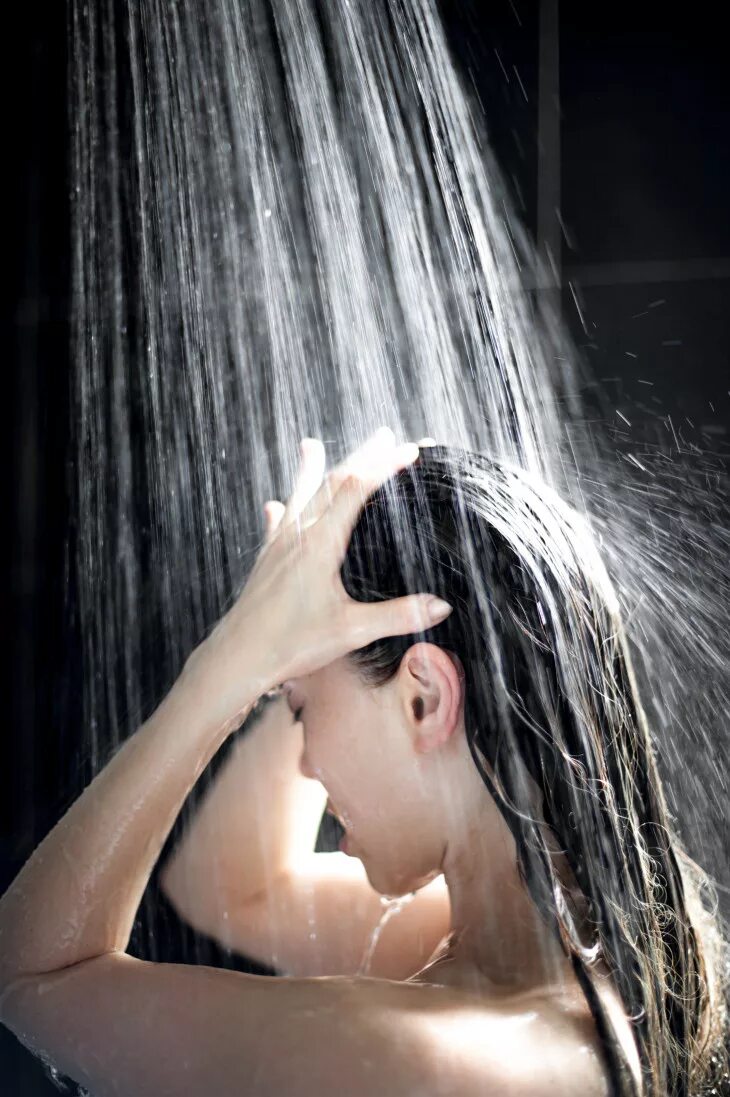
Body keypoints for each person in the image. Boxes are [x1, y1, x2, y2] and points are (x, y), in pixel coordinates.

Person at [0, 428, 726, 1096]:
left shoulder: (398, 1057)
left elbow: (30, 972)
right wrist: (301, 628)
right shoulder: (610, 953)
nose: (306, 764)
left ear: (423, 699)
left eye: (299, 710)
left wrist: (227, 663)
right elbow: (236, 882)